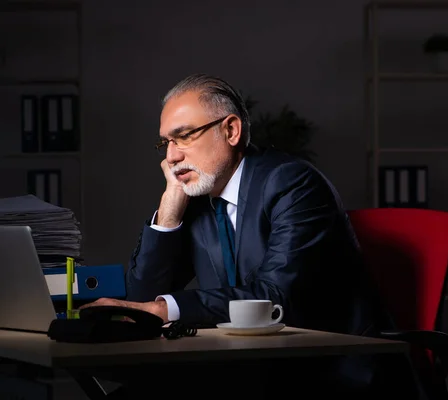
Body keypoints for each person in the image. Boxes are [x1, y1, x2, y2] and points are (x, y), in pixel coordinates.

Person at [81, 73, 399, 398]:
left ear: (230, 130)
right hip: (247, 366)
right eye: (166, 143)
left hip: (326, 370)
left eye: (185, 136)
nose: (171, 157)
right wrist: (169, 211)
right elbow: (142, 297)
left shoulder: (292, 184)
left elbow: (274, 297)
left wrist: (164, 310)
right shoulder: (199, 200)